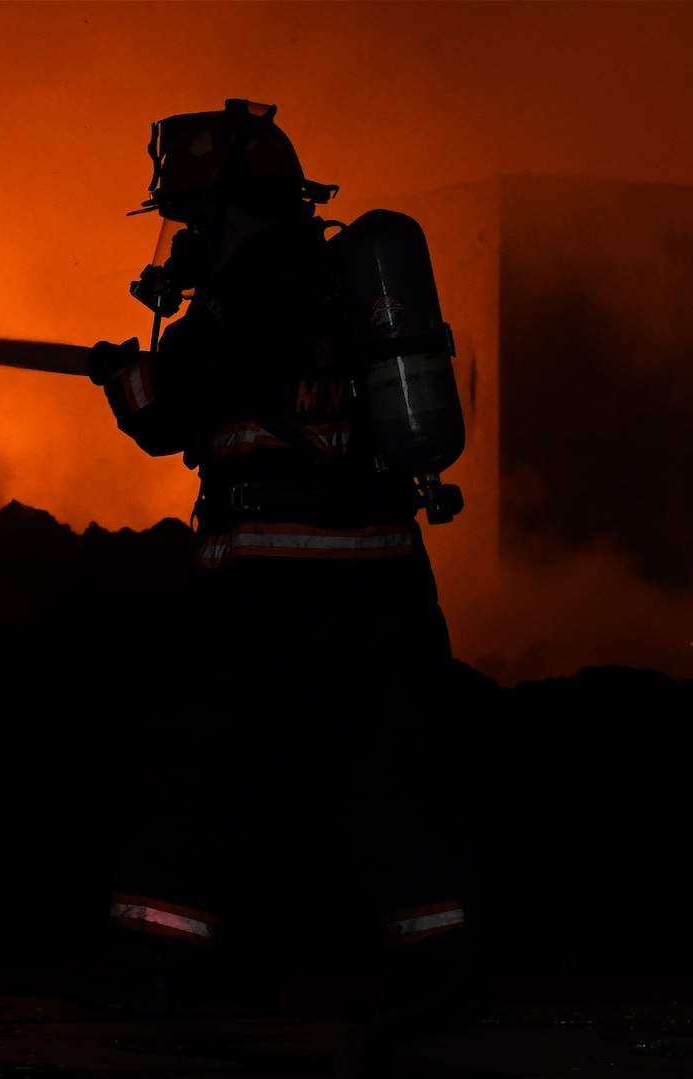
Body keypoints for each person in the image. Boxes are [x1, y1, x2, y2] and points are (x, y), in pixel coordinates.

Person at [86, 99, 476, 1036]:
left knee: (200, 769)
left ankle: (158, 970)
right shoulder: (346, 283)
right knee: (390, 772)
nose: (185, 243)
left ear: (230, 212)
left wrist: (121, 376)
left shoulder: (244, 294)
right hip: (384, 581)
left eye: (192, 221)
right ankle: (436, 971)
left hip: (265, 584)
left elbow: (166, 416)